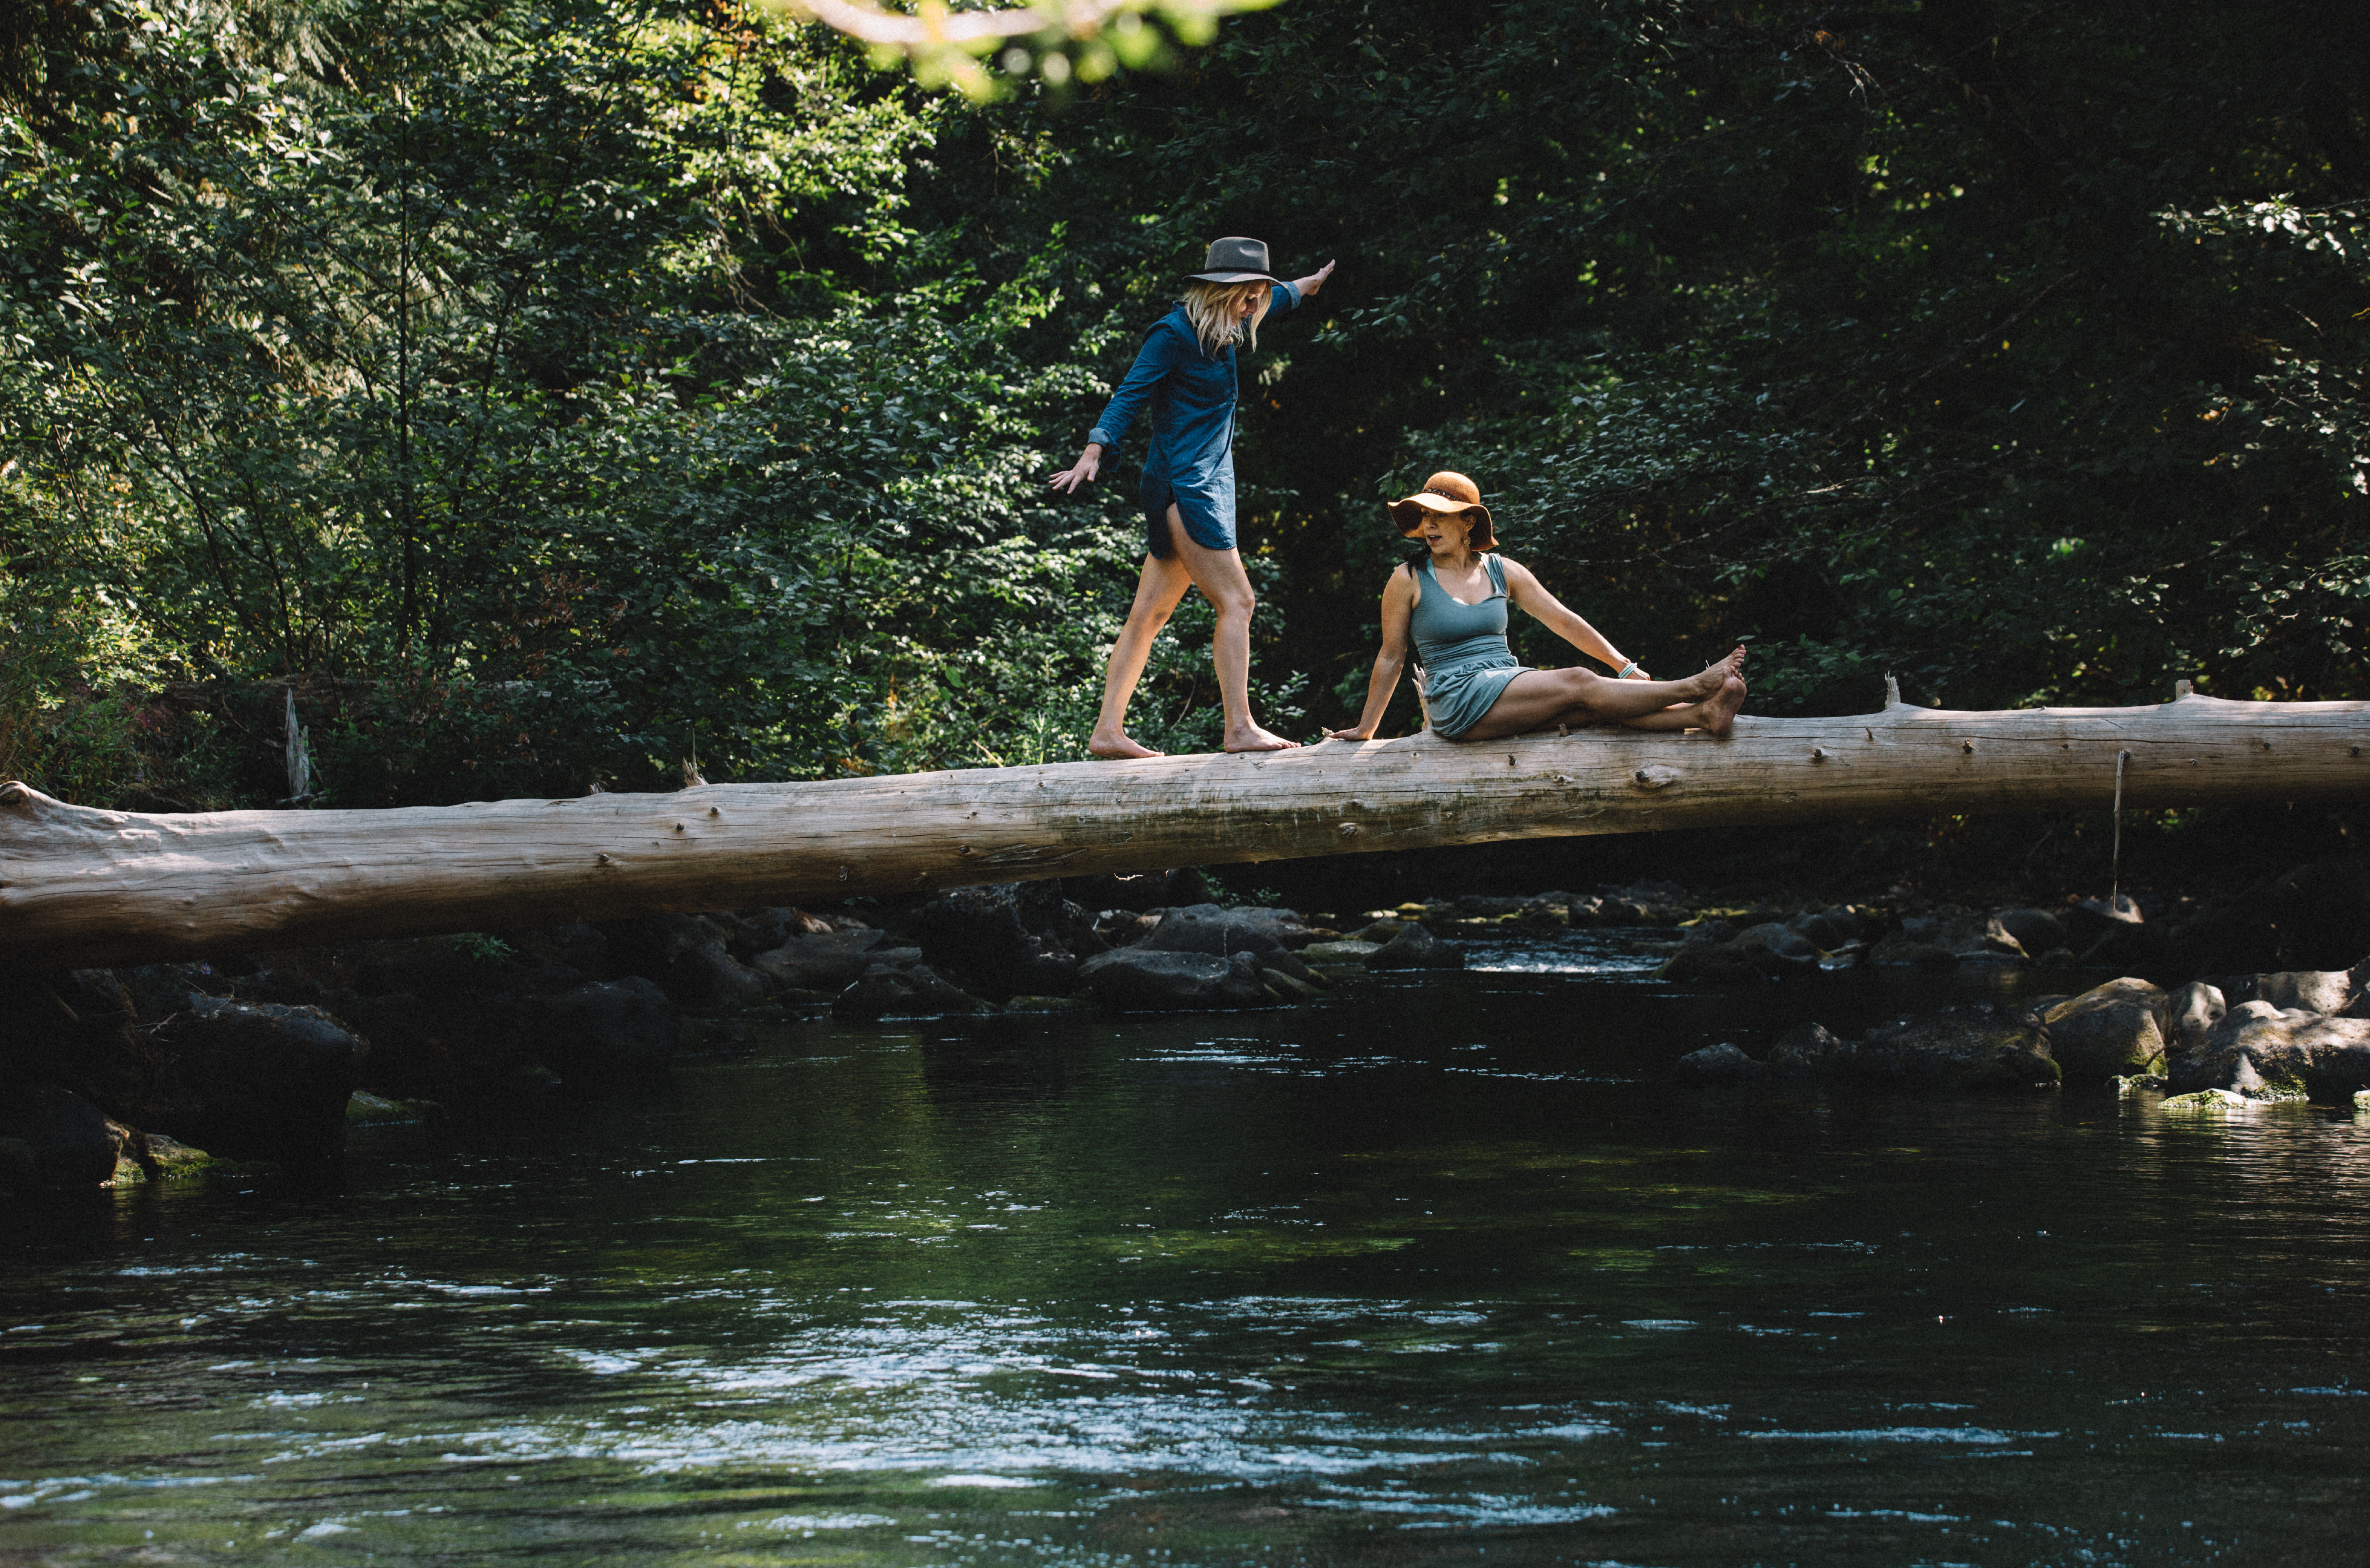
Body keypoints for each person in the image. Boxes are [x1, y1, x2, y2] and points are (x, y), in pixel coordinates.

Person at [1049, 237, 1336, 758]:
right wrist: (1094, 450)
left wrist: (1306, 286)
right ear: (1215, 290)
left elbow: (1279, 299)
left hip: (1194, 485)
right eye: (1245, 296)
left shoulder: (1231, 324)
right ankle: (1240, 728)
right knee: (1238, 601)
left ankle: (1107, 732)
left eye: (1257, 296)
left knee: (1148, 615)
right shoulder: (1173, 333)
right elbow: (1129, 394)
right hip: (1188, 488)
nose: (1253, 308)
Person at [1322, 471, 1747, 744]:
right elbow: (1391, 656)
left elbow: (1563, 620)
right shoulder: (1408, 578)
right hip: (1455, 697)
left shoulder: (1503, 570)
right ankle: (1693, 686)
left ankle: (1703, 714)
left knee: (1588, 709)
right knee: (1580, 681)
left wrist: (1623, 666)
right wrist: (1366, 728)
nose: (1428, 526)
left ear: (1467, 521)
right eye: (1425, 516)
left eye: (1440, 516)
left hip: (1506, 680)